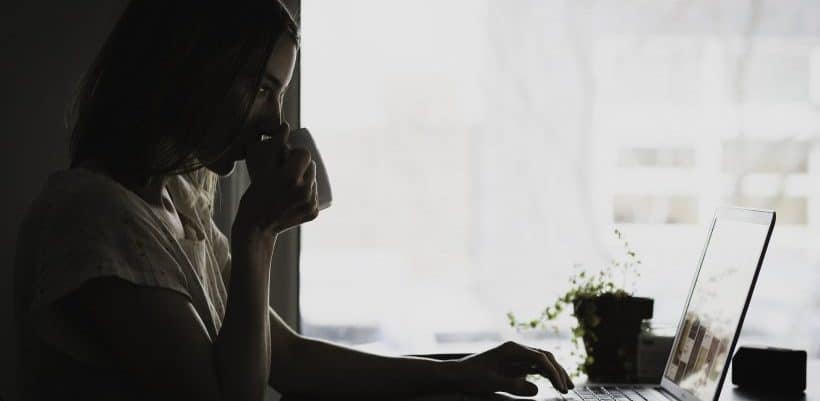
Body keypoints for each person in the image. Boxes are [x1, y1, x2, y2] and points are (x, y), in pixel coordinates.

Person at [12, 1, 573, 400]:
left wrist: (458, 373)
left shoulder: (178, 208)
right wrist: (258, 234)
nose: (276, 120)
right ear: (192, 69)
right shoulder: (94, 216)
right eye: (262, 89)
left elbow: (289, 357)